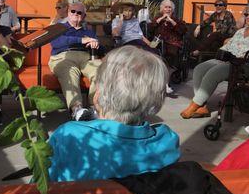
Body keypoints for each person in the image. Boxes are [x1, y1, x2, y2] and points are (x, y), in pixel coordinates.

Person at [48, 46, 180, 182]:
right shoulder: (167, 140)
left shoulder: (68, 135)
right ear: (156, 100)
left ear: (97, 95)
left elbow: (39, 189)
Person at [181, 2, 249, 119]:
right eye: (246, 14)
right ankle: (202, 106)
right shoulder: (240, 31)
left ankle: (194, 105)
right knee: (199, 69)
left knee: (213, 73)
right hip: (228, 61)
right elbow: (228, 46)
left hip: (245, 66)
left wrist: (242, 57)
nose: (248, 17)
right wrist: (222, 51)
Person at [49, 1, 101, 121]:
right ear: (68, 12)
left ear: (83, 16)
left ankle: (95, 107)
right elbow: (56, 42)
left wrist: (96, 44)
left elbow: (100, 49)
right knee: (69, 72)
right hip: (63, 56)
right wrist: (81, 40)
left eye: (79, 12)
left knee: (101, 69)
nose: (76, 14)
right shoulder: (59, 28)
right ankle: (77, 109)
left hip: (85, 57)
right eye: (73, 11)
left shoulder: (89, 32)